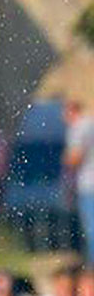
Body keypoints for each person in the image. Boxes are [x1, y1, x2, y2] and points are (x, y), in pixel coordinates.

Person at [63, 100, 94, 263]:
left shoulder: (78, 128)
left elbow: (75, 157)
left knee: (91, 230)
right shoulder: (91, 123)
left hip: (89, 185)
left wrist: (64, 160)